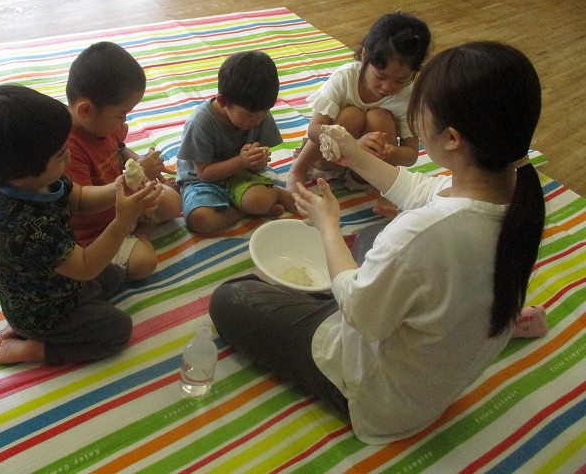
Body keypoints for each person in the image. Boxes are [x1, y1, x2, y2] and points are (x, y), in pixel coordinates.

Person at [209, 41, 546, 443]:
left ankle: (327, 301)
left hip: (379, 396)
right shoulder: (518, 191)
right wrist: (353, 154)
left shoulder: (424, 232)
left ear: (452, 138)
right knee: (372, 236)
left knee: (230, 298)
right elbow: (422, 192)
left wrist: (329, 226)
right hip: (440, 364)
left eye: (420, 110)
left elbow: (359, 313)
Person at [0, 84, 162, 365]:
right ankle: (35, 347)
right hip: (45, 312)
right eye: (60, 154)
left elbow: (79, 198)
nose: (68, 157)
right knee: (117, 329)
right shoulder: (27, 225)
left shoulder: (38, 180)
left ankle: (26, 327)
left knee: (113, 276)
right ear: (22, 173)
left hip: (59, 282)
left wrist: (118, 188)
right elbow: (85, 267)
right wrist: (123, 220)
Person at [65, 41, 182, 281]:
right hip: (98, 229)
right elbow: (83, 203)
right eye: (121, 114)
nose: (125, 121)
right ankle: (137, 236)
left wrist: (139, 161)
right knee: (144, 263)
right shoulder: (67, 148)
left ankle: (137, 230)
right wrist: (133, 177)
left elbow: (119, 150)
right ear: (86, 111)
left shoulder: (104, 125)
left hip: (125, 203)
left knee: (174, 203)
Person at [285, 12, 431, 195]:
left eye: (401, 80)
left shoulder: (407, 97)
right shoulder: (345, 78)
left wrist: (390, 152)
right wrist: (352, 144)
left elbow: (411, 155)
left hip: (363, 171)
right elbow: (314, 130)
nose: (387, 87)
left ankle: (380, 187)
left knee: (380, 117)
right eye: (380, 76)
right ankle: (297, 170)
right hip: (328, 159)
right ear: (364, 56)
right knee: (351, 115)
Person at [176, 50, 297, 235]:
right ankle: (246, 211)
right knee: (199, 219)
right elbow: (204, 174)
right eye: (249, 115)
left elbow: (257, 165)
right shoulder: (201, 123)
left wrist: (258, 160)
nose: (257, 120)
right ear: (222, 101)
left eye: (265, 112)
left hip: (241, 175)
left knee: (257, 200)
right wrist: (241, 161)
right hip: (201, 181)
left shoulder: (259, 113)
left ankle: (272, 196)